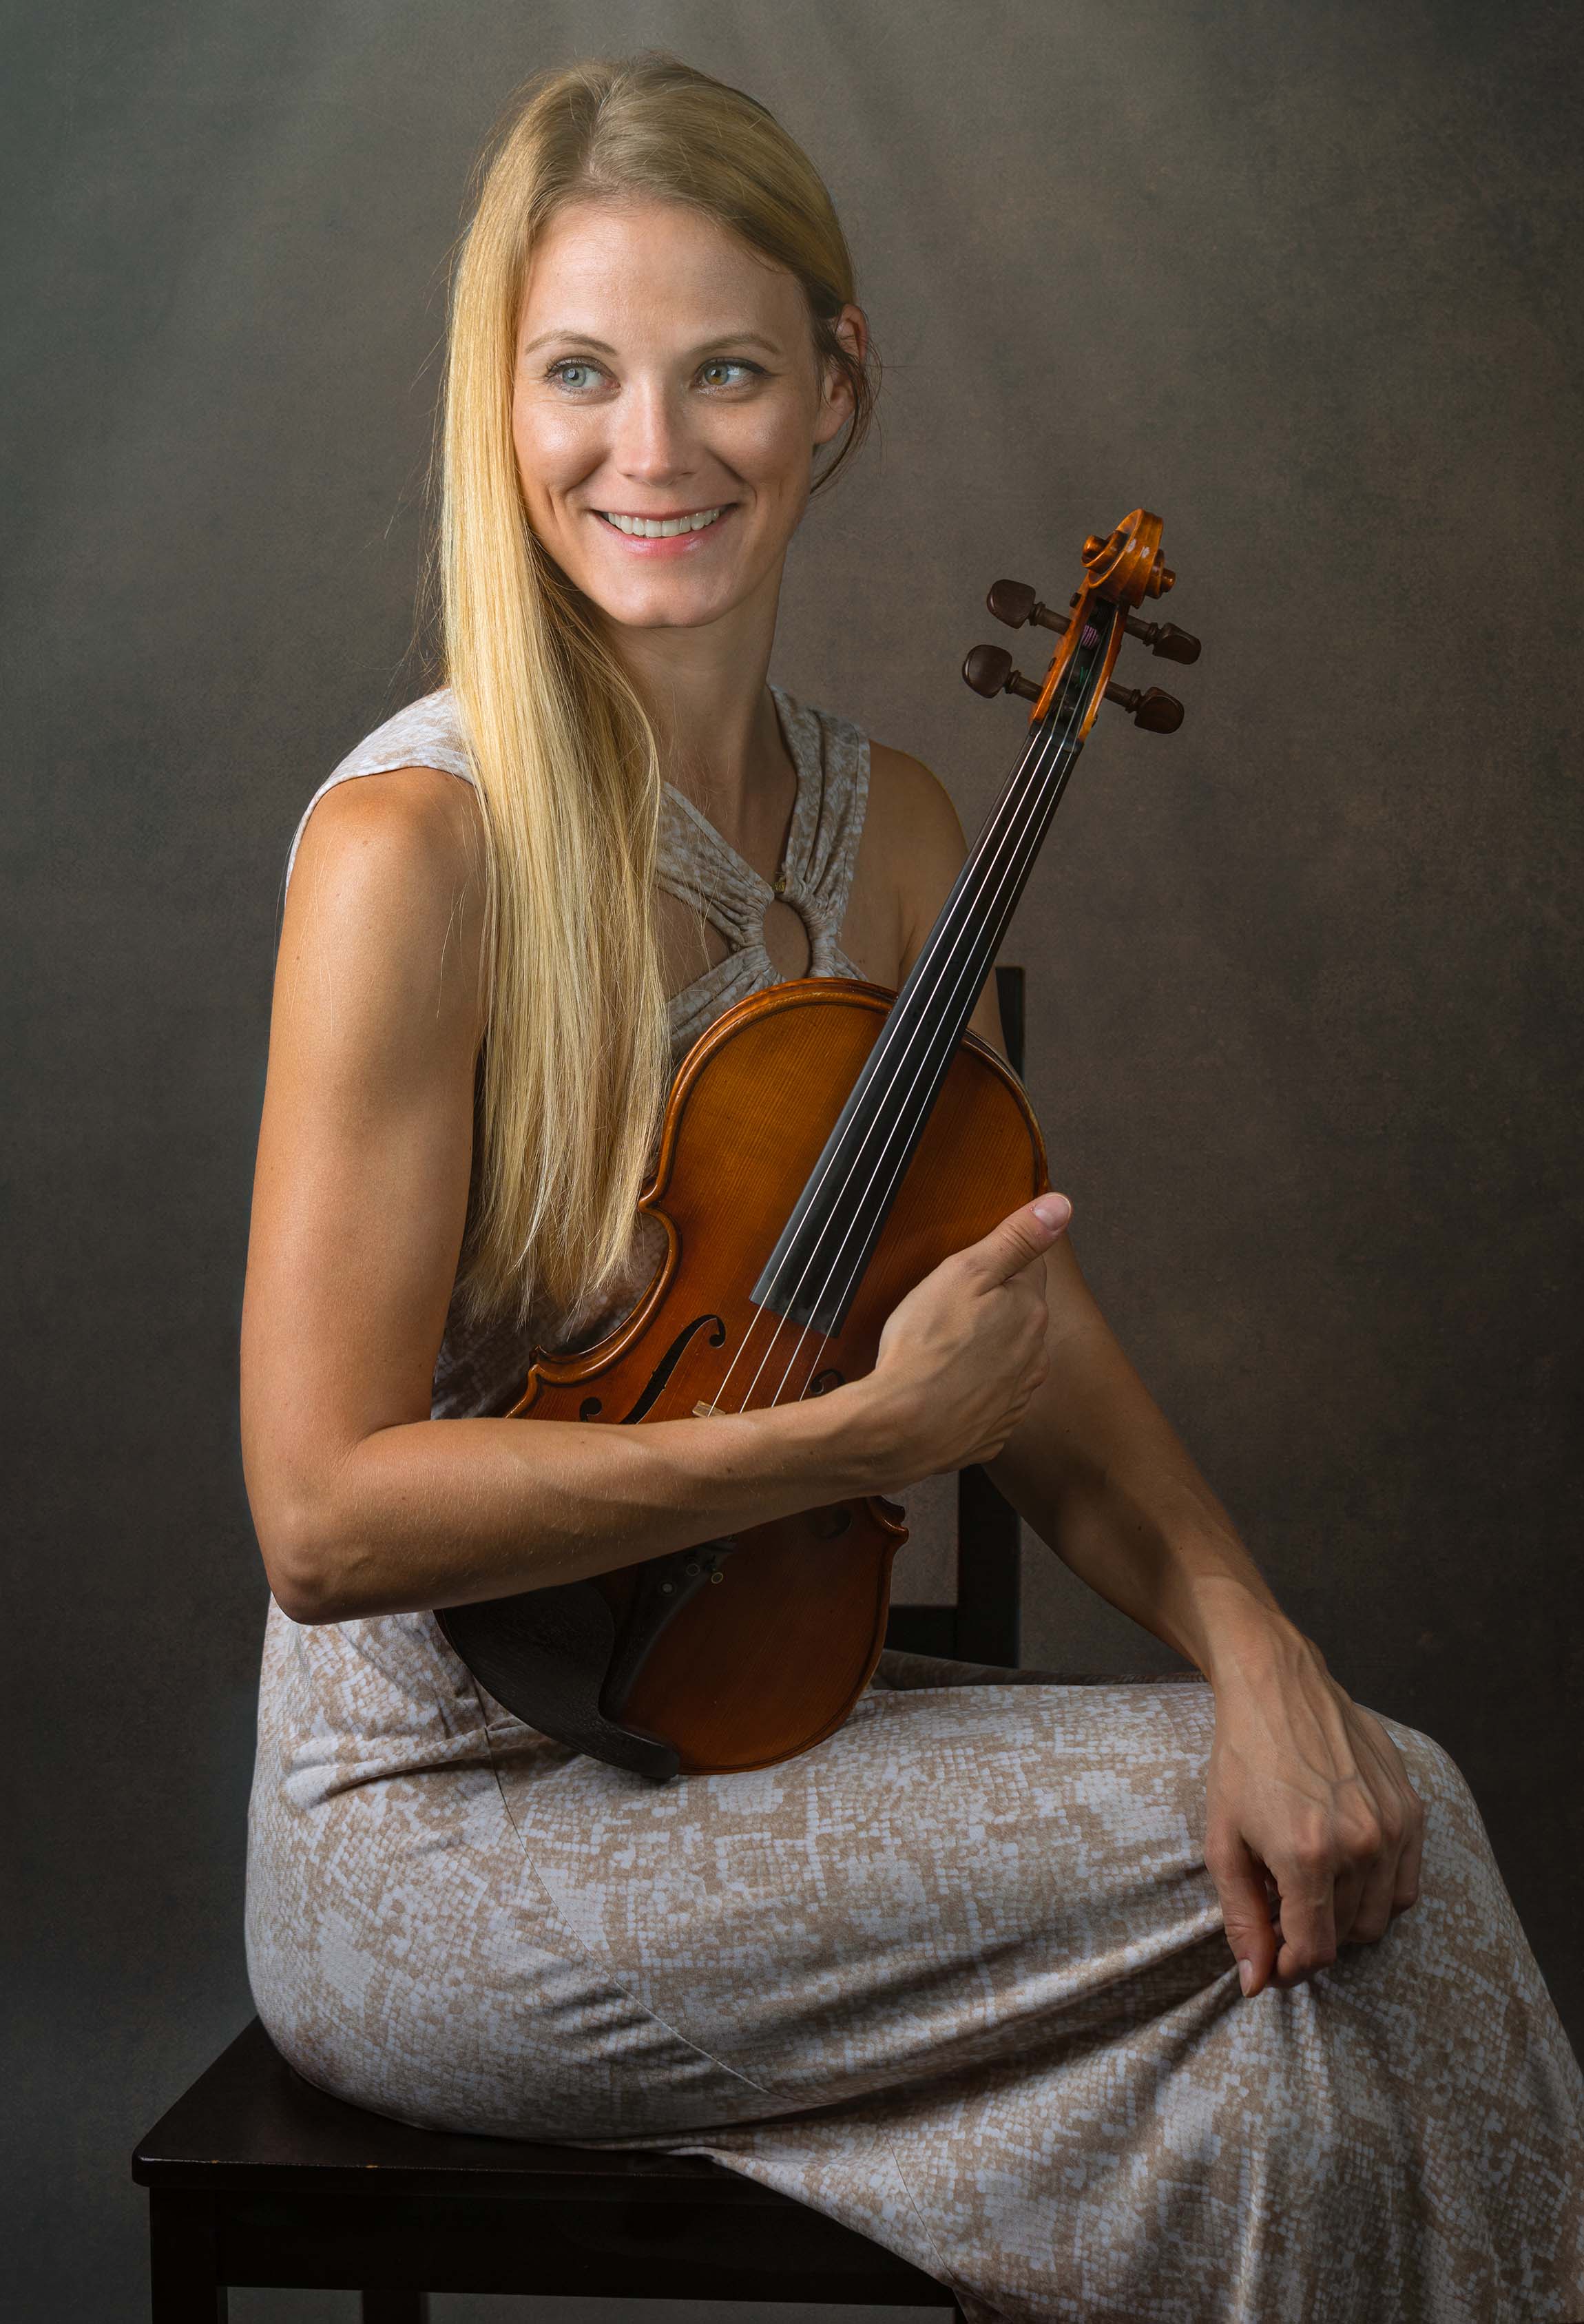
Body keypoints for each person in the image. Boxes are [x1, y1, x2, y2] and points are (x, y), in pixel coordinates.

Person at [241, 52, 1583, 2322]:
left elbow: (1016, 1325)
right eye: (578, 374)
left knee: (1295, 2035)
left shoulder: (911, 836)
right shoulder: (420, 848)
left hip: (753, 1740)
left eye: (725, 373)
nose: (647, 453)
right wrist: (852, 1442)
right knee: (1419, 1833)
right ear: (501, 398)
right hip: (449, 1836)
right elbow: (326, 1520)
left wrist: (1261, 1653)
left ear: (835, 392)